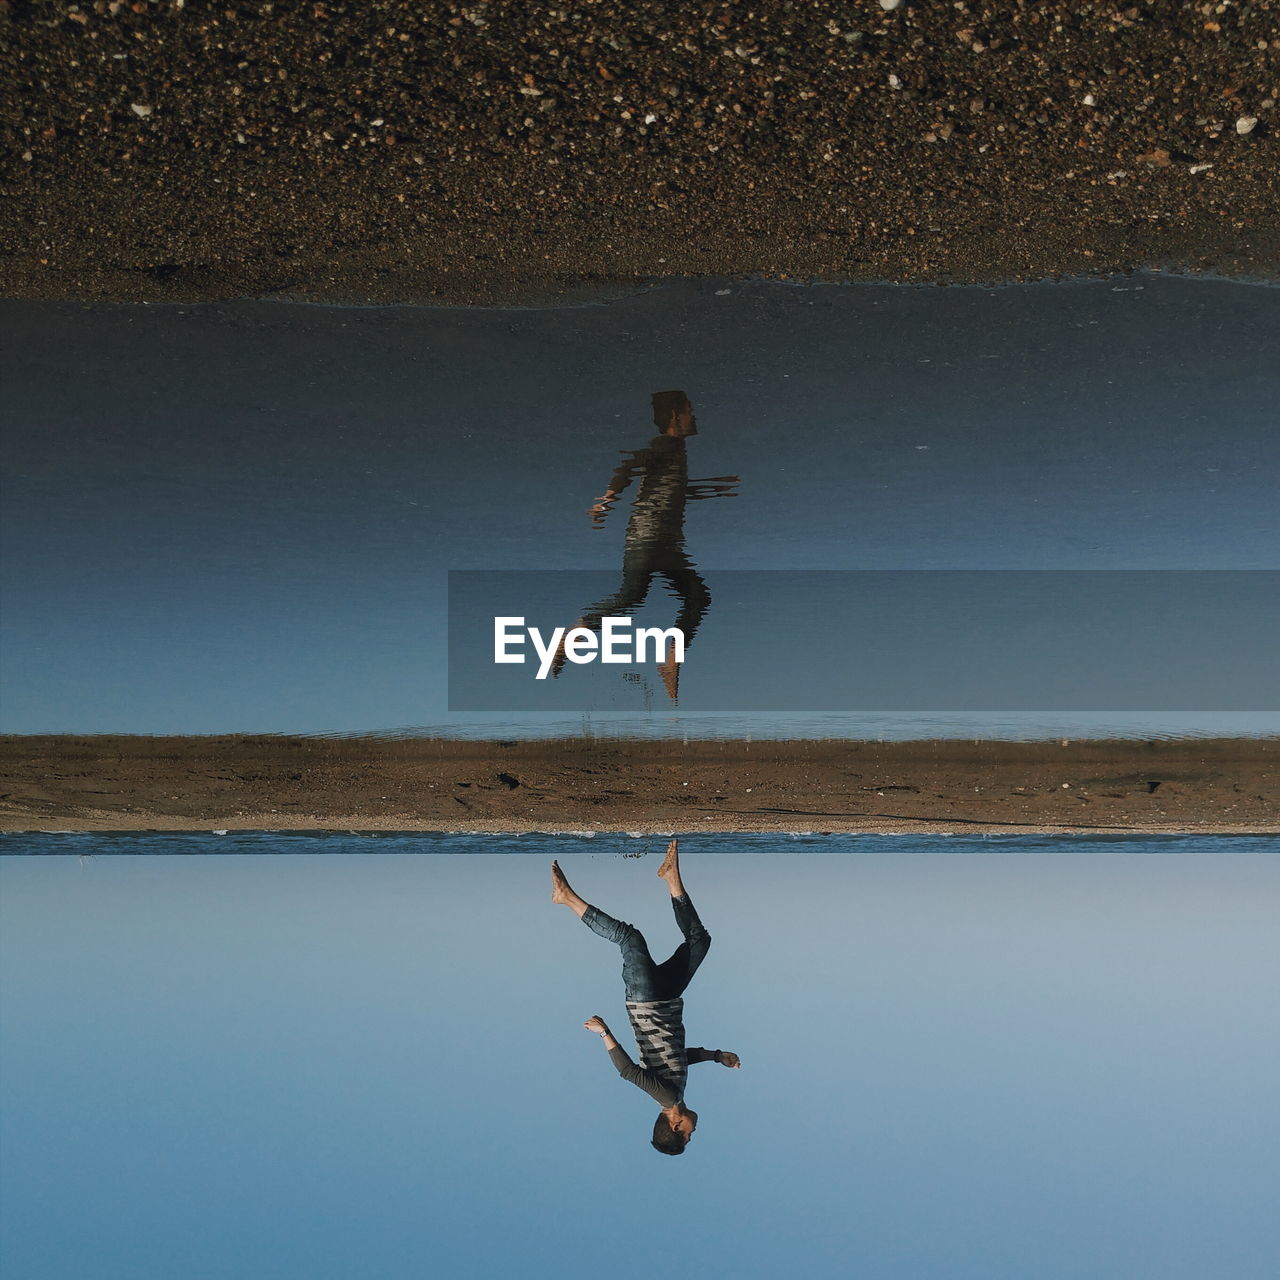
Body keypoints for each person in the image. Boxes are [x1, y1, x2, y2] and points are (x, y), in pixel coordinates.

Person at [550, 839, 741, 1155]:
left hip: (646, 1002)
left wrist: (605, 1033)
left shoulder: (666, 1098)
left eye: (689, 1137)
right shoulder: (675, 1092)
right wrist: (717, 1056)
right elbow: (681, 1053)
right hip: (666, 998)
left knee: (629, 938)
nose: (694, 1133)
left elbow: (629, 1073)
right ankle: (670, 877)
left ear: (676, 1127)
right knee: (699, 942)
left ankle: (566, 897)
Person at [550, 390, 738, 701]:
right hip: (651, 541)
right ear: (676, 416)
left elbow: (674, 490)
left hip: (657, 542)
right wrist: (605, 502)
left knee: (644, 598)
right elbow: (630, 466)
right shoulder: (666, 445)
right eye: (691, 410)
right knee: (680, 598)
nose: (696, 416)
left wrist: (713, 488)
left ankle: (665, 661)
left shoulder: (676, 453)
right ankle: (666, 661)